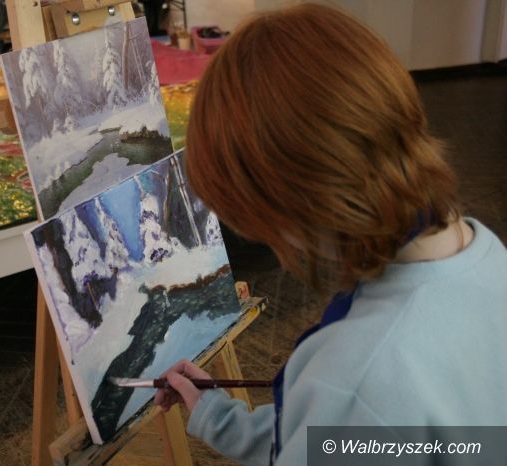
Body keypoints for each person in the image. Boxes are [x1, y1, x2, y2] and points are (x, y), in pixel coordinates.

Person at [153, 3, 507, 465]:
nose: (279, 252)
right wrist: (218, 416)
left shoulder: (360, 377)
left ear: (298, 204)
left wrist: (333, 395)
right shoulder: (483, 252)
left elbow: (358, 417)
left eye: (263, 227)